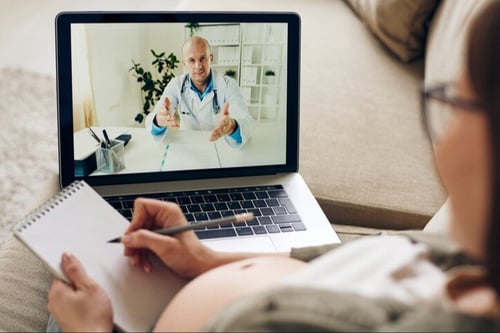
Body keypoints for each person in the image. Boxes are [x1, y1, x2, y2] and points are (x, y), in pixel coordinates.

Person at [47, 1, 500, 331]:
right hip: (199, 262)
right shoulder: (447, 256)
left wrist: (93, 331)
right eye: (192, 59)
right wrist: (205, 258)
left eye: (453, 102)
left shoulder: (225, 84)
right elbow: (159, 124)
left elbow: (241, 120)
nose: (198, 65)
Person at [145, 35, 254, 149]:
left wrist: (232, 126)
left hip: (219, 146)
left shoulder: (228, 84)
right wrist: (158, 120)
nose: (198, 66)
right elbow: (152, 119)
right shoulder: (176, 85)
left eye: (203, 58)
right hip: (188, 147)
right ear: (185, 64)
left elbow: (247, 120)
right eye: (191, 60)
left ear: (211, 59)